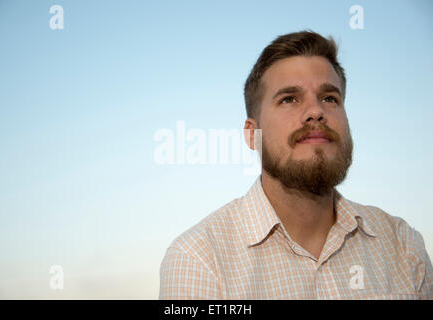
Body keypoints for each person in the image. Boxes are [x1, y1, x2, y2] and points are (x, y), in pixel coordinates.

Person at [159, 30, 433, 299]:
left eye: (330, 98)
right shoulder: (199, 260)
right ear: (252, 134)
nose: (316, 111)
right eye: (289, 99)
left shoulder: (403, 246)